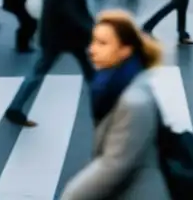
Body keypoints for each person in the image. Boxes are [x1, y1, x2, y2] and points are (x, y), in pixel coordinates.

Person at [61, 10, 170, 199]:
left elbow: (114, 165)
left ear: (125, 50)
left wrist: (70, 196)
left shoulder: (133, 100)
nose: (91, 49)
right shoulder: (113, 83)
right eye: (93, 41)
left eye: (102, 43)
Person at [5, 0, 96, 128]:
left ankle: (15, 108)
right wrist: (91, 28)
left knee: (46, 70)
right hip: (64, 32)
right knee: (86, 71)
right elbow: (66, 4)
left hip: (59, 31)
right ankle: (110, 110)